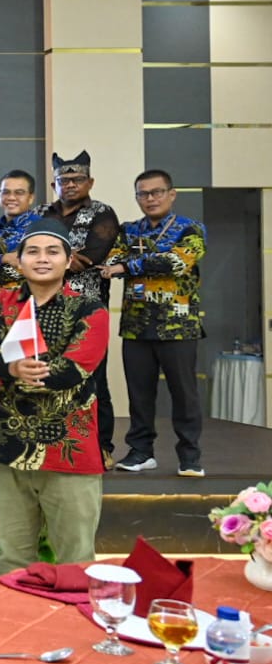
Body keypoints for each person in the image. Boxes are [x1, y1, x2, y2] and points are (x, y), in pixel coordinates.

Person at [0, 217, 109, 573]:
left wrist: (16, 370)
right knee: (13, 560)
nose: (42, 258)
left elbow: (77, 367)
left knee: (75, 561)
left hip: (69, 450)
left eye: (52, 251)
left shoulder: (90, 308)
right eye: (32, 251)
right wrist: (12, 367)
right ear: (19, 260)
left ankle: (73, 614)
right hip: (8, 447)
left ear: (68, 260)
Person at [102, 169, 207, 476]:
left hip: (178, 325)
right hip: (136, 325)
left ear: (171, 194)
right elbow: (111, 262)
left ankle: (190, 456)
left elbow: (178, 262)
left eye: (157, 192)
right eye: (143, 193)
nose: (150, 198)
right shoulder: (128, 230)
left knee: (184, 394)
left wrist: (129, 265)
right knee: (139, 394)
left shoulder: (191, 229)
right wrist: (137, 263)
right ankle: (141, 452)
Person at [37, 151, 120, 459]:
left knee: (94, 378)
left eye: (77, 179)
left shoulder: (102, 212)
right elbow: (26, 249)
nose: (70, 184)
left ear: (90, 182)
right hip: (45, 308)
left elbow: (94, 254)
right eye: (64, 180)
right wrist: (61, 259)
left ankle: (102, 447)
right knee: (48, 375)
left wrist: (47, 260)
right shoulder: (41, 212)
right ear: (54, 184)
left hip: (88, 309)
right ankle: (55, 446)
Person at [0, 170, 42, 302]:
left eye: (19, 193)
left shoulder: (40, 228)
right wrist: (3, 258)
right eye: (6, 192)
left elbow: (33, 268)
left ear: (30, 197)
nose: (11, 197)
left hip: (27, 302)